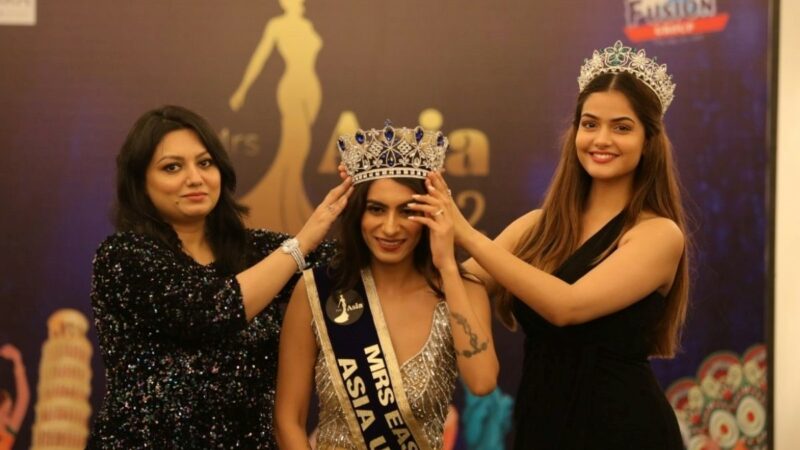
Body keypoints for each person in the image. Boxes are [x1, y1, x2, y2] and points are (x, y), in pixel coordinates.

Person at [419, 41, 689, 449]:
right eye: (590, 124)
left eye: (622, 127)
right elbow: (457, 283)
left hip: (623, 432)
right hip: (540, 423)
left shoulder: (659, 234)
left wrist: (468, 234)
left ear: (649, 141)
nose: (601, 139)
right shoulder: (537, 226)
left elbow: (567, 306)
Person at [87, 105, 352, 449]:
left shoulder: (255, 251)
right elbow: (208, 312)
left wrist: (368, 191)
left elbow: (350, 264)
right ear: (140, 182)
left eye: (205, 163)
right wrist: (302, 243)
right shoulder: (123, 256)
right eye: (172, 167)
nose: (195, 178)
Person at [275, 125, 498, 450]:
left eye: (407, 211)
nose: (390, 228)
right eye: (376, 209)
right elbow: (288, 420)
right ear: (357, 213)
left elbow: (482, 382)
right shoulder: (317, 291)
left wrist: (447, 266)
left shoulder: (463, 290)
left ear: (429, 213)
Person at [0, 344, 29, 450]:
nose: (9, 420)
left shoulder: (7, 436)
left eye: (9, 414)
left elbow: (23, 399)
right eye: (6, 413)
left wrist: (17, 360)